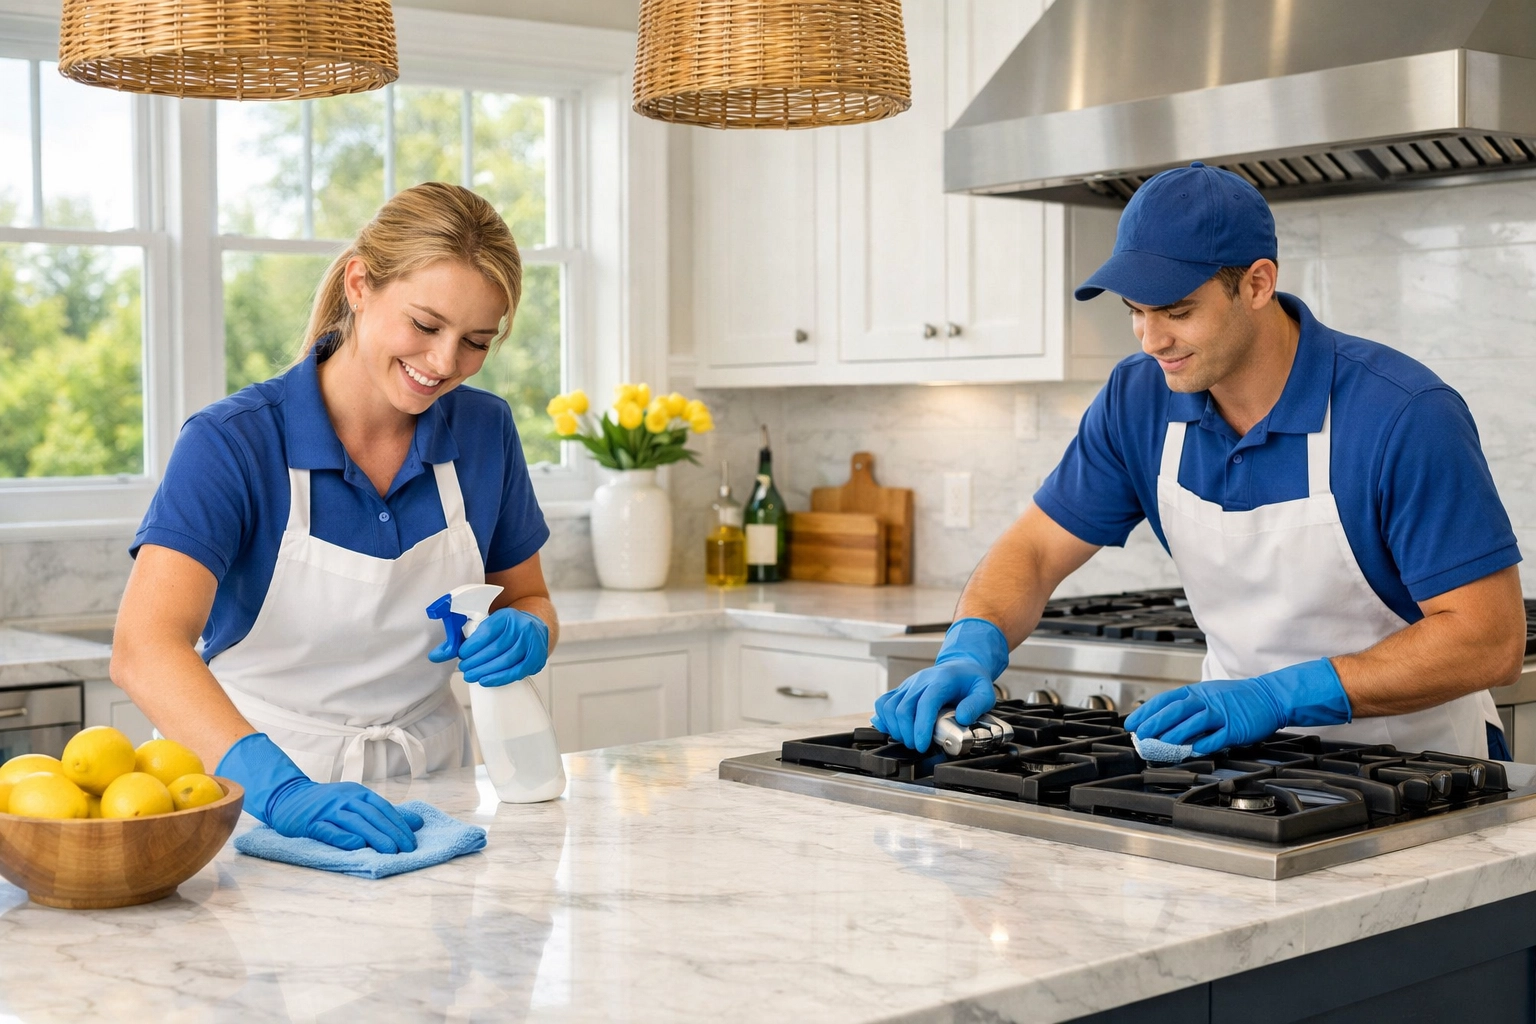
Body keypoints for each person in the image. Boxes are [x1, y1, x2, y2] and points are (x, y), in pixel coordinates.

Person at [874, 163, 1526, 761]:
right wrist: (971, 643)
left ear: (1257, 284)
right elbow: (1036, 549)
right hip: (1231, 762)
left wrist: (1277, 696)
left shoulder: (1402, 415)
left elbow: (1487, 638)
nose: (1152, 339)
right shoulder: (1139, 399)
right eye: (1135, 312)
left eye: (1178, 312)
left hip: (1416, 767)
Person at [111, 182, 557, 853]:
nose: (443, 364)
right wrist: (279, 791)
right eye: (426, 325)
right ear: (359, 284)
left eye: (476, 342)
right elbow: (143, 650)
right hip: (252, 798)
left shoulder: (485, 430)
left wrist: (530, 633)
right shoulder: (233, 441)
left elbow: (528, 596)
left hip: (433, 796)